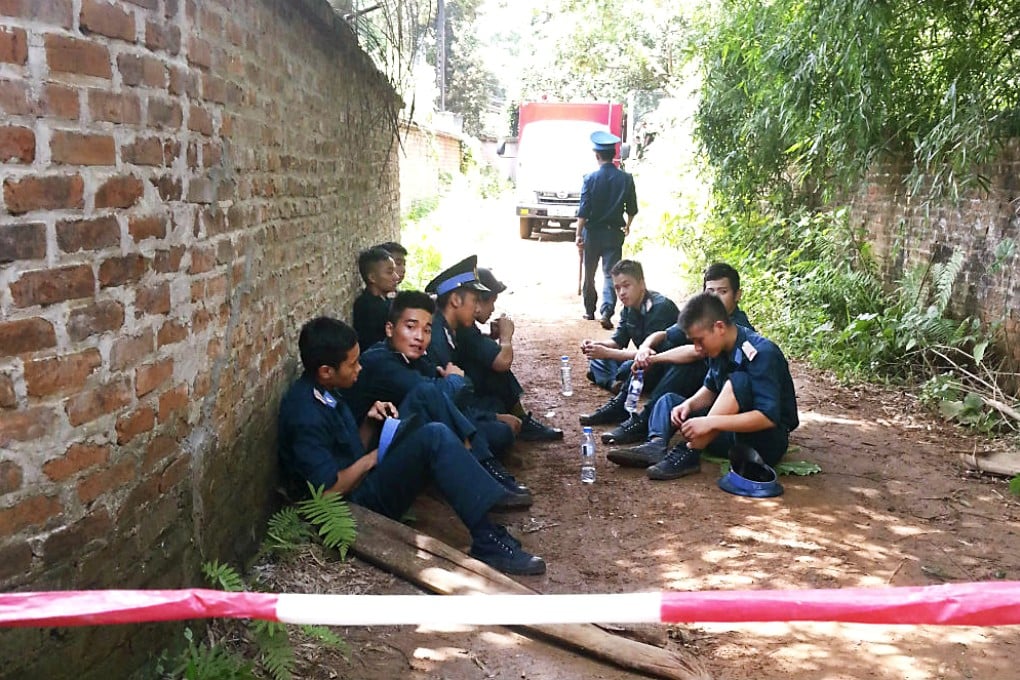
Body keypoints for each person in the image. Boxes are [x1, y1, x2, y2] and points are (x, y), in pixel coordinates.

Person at [277, 317, 545, 575]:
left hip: (364, 478)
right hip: (355, 507)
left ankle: (484, 476)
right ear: (326, 370)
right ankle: (487, 540)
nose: (359, 368)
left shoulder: (326, 389)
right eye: (353, 364)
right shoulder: (306, 416)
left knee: (425, 396)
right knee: (434, 436)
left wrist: (370, 424)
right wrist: (373, 459)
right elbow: (327, 493)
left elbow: (347, 452)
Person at [345, 289, 534, 508]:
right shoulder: (382, 363)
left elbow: (459, 391)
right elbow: (441, 391)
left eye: (426, 330)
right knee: (430, 395)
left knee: (497, 430)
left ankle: (489, 472)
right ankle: (485, 478)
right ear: (390, 329)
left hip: (409, 435)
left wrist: (489, 413)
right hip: (375, 461)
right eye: (410, 327)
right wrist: (454, 380)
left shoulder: (409, 357)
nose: (419, 337)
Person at [629, 293, 798, 481]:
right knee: (670, 401)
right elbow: (710, 388)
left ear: (719, 327)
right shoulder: (718, 348)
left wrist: (710, 422)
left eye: (699, 340)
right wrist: (689, 406)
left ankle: (690, 451)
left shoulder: (762, 353)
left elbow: (767, 418)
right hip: (730, 432)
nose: (697, 348)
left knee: (738, 381)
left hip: (763, 442)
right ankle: (655, 445)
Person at [597, 263, 755, 454]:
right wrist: (645, 349)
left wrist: (653, 359)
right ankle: (644, 427)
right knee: (645, 360)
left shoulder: (737, 326)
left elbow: (696, 352)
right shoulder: (703, 316)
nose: (715, 298)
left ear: (737, 295)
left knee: (686, 364)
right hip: (706, 389)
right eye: (710, 291)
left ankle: (643, 421)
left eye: (722, 292)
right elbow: (664, 334)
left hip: (723, 399)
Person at [455, 266, 563, 441]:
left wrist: (491, 337)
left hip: (463, 388)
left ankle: (517, 416)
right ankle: (519, 419)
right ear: (477, 301)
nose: (492, 308)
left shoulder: (463, 325)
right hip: (460, 397)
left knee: (496, 397)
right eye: (491, 301)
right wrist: (506, 337)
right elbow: (502, 362)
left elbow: (474, 347)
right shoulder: (465, 329)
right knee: (497, 368)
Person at [578, 259, 677, 398]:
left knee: (625, 368)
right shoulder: (628, 308)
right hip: (640, 360)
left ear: (642, 284)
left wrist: (606, 353)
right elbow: (617, 342)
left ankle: (607, 379)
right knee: (597, 358)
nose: (621, 293)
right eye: (617, 288)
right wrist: (595, 346)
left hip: (661, 365)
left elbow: (651, 356)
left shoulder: (660, 307)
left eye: (626, 286)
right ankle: (613, 383)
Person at [576, 130, 638, 330]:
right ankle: (607, 311)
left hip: (592, 233)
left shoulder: (589, 179)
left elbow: (583, 211)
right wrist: (627, 226)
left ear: (597, 156)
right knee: (611, 274)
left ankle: (589, 310)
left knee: (590, 272)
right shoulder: (626, 179)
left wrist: (578, 234)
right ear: (614, 155)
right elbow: (632, 208)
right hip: (614, 233)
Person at [352, 246, 399, 349]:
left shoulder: (383, 300)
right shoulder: (368, 307)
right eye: (389, 272)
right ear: (372, 277)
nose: (396, 277)